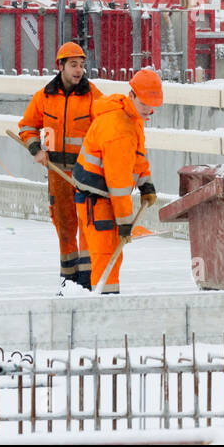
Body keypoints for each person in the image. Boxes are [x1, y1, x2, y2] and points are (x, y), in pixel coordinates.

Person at [17, 42, 101, 290]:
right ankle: (69, 278)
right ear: (61, 66)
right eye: (73, 65)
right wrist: (36, 149)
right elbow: (27, 126)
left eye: (82, 65)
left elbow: (105, 128)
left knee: (86, 226)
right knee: (64, 226)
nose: (79, 70)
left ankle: (87, 280)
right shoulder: (45, 96)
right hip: (57, 173)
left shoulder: (93, 95)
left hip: (84, 174)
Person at [72, 68, 162, 295]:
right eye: (144, 104)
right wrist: (125, 222)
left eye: (153, 105)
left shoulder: (132, 117)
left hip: (101, 198)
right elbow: (119, 183)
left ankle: (99, 298)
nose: (149, 110)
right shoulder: (119, 129)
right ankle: (105, 307)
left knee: (107, 256)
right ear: (131, 95)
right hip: (98, 202)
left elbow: (138, 156)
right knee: (106, 259)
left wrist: (145, 184)